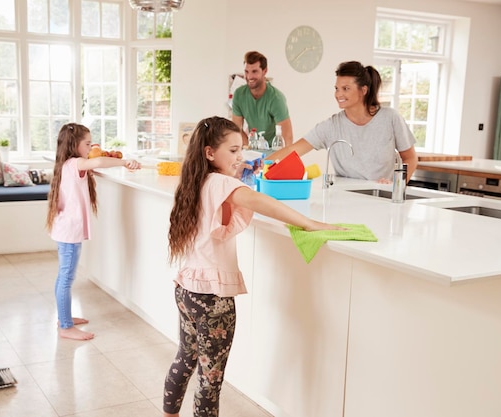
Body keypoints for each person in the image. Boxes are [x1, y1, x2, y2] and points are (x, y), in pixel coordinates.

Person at [162, 116, 343, 417]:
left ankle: (169, 414)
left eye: (241, 150)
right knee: (210, 381)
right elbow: (259, 200)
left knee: (185, 358)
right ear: (210, 153)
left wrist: (238, 173)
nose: (240, 157)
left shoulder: (197, 180)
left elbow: (229, 202)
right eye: (233, 151)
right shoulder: (221, 183)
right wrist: (309, 222)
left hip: (187, 290)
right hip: (213, 300)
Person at [46, 123, 140, 341]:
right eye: (87, 143)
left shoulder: (68, 164)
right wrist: (126, 162)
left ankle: (64, 317)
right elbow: (97, 161)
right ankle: (65, 326)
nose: (91, 147)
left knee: (64, 276)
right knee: (66, 278)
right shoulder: (75, 163)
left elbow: (95, 161)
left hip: (66, 229)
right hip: (69, 232)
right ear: (74, 144)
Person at [268, 61, 418, 182]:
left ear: (363, 90)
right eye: (337, 88)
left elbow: (410, 158)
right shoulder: (331, 126)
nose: (338, 94)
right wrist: (258, 165)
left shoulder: (390, 118)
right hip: (345, 196)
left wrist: (396, 185)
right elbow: (292, 151)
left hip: (382, 195)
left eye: (346, 88)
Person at [232, 51, 294, 148]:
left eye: (254, 71)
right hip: (254, 147)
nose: (249, 77)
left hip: (274, 149)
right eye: (246, 72)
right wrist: (250, 146)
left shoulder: (276, 98)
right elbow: (236, 129)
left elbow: (287, 138)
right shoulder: (239, 95)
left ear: (264, 71)